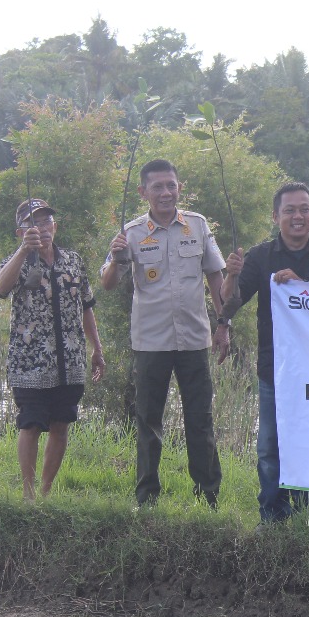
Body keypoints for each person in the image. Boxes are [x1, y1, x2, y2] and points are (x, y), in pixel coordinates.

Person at [101, 159, 227, 508]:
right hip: (150, 342)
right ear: (143, 192)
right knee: (148, 421)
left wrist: (223, 324)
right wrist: (114, 259)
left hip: (194, 340)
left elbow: (216, 276)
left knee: (200, 420)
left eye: (171, 185)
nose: (166, 193)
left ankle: (208, 498)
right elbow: (109, 284)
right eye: (157, 187)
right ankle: (146, 499)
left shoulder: (198, 226)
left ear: (179, 187)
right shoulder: (131, 232)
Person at [215, 182, 309, 524]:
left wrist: (303, 286)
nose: (298, 216)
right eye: (290, 210)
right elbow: (231, 302)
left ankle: (308, 515)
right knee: (269, 447)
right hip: (273, 366)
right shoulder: (261, 256)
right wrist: (231, 277)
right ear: (275, 215)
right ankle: (272, 516)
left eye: (304, 209)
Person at [0, 199, 105, 501]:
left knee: (61, 423)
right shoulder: (16, 261)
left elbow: (87, 306)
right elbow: (2, 288)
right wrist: (23, 251)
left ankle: (45, 492)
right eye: (34, 222)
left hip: (70, 360)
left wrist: (97, 348)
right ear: (21, 231)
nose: (42, 228)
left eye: (46, 221)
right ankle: (28, 494)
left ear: (55, 226)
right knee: (30, 423)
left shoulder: (73, 261)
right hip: (29, 362)